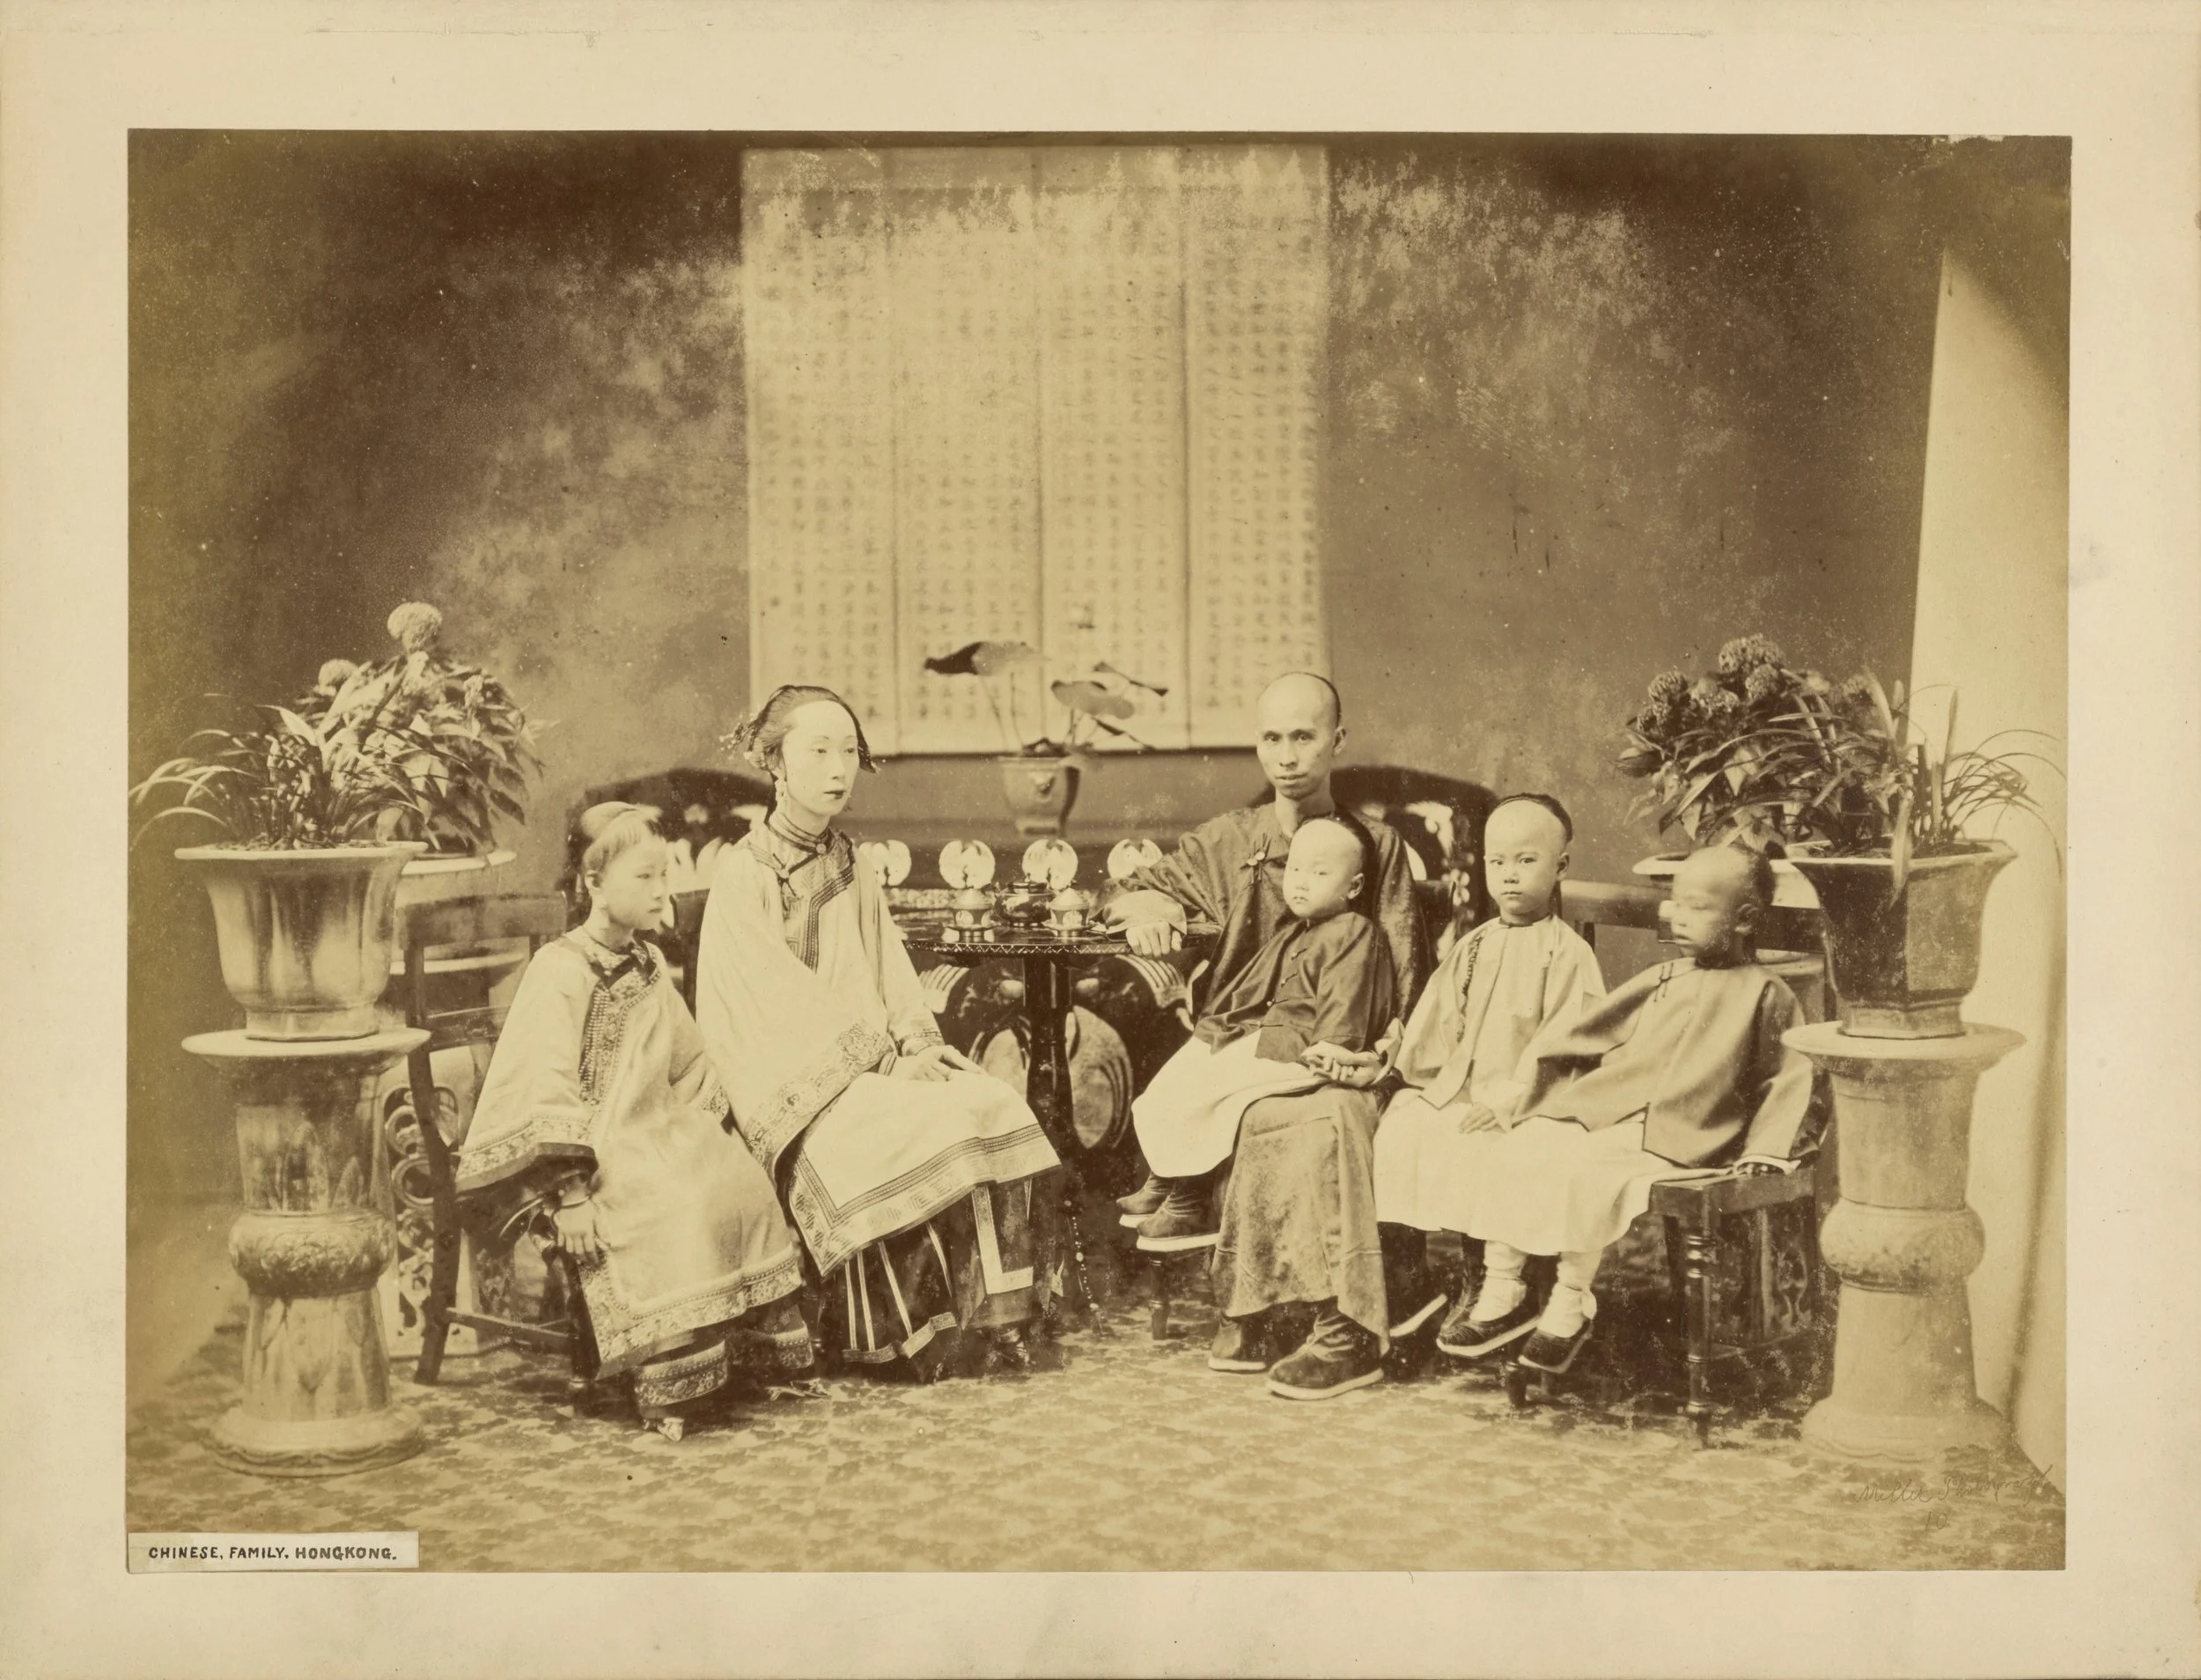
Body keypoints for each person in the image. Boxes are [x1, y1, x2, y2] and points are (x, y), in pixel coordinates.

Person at [696, 685, 1062, 1378]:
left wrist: (917, 1044)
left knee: (988, 1099)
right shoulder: (744, 872)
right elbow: (767, 1006)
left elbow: (890, 970)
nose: (838, 769)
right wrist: (884, 1065)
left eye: (847, 752)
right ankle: (913, 1335)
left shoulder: (849, 860)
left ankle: (1003, 1316)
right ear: (774, 762)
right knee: (931, 1121)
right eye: (818, 751)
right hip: (795, 1086)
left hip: (873, 1065)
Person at [456, 802, 813, 1441]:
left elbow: (689, 1060)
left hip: (654, 1131)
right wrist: (570, 1196)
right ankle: (669, 1378)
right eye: (644, 877)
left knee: (738, 1182)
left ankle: (739, 1362)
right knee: (677, 1203)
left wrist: (714, 1132)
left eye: (664, 874)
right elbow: (545, 1083)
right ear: (594, 882)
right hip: (588, 1153)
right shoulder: (560, 969)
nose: (660, 891)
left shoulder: (648, 962)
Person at [1454, 844, 1819, 1375]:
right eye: (1675, 904)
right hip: (1613, 1110)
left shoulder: (1768, 993)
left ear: (1744, 919)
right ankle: (1503, 1287)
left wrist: (1765, 1149)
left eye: (1697, 907)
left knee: (1587, 1173)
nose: (1677, 917)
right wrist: (1525, 1095)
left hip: (1688, 1129)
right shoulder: (1664, 977)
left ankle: (1570, 1301)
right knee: (1522, 1147)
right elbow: (1582, 1037)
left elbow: (1787, 1076)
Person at [1107, 671, 1431, 1245]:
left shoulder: (1375, 846)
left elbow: (1408, 973)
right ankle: (1176, 1179)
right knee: (1180, 1081)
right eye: (1271, 738)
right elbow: (1122, 892)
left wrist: (1383, 1058)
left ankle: (1190, 1194)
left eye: (1303, 737)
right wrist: (1154, 907)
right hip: (1237, 1028)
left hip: (1330, 1035)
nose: (1286, 757)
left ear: (1337, 740)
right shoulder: (1229, 840)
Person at [1367, 794, 1608, 1358]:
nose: (1509, 875)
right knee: (1399, 1128)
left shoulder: (1567, 954)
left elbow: (1564, 1044)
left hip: (1525, 1099)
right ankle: (1410, 1282)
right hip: (1459, 1085)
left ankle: (1496, 1285)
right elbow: (1436, 1022)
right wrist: (1399, 1069)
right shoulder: (1474, 945)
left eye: (1526, 861)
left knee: (1492, 1146)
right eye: (1498, 862)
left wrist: (1510, 1099)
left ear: (1560, 867)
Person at [1127, 814, 1397, 1256]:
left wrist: (1333, 1046)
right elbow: (1249, 991)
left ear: (1353, 887)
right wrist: (1221, 1027)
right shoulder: (1293, 932)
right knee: (1177, 1074)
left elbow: (1346, 999)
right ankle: (1166, 1175)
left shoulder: (1355, 932)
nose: (1301, 882)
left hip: (1302, 1048)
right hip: (1266, 1035)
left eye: (1319, 873)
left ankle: (1191, 1199)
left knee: (1208, 1090)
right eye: (1295, 869)